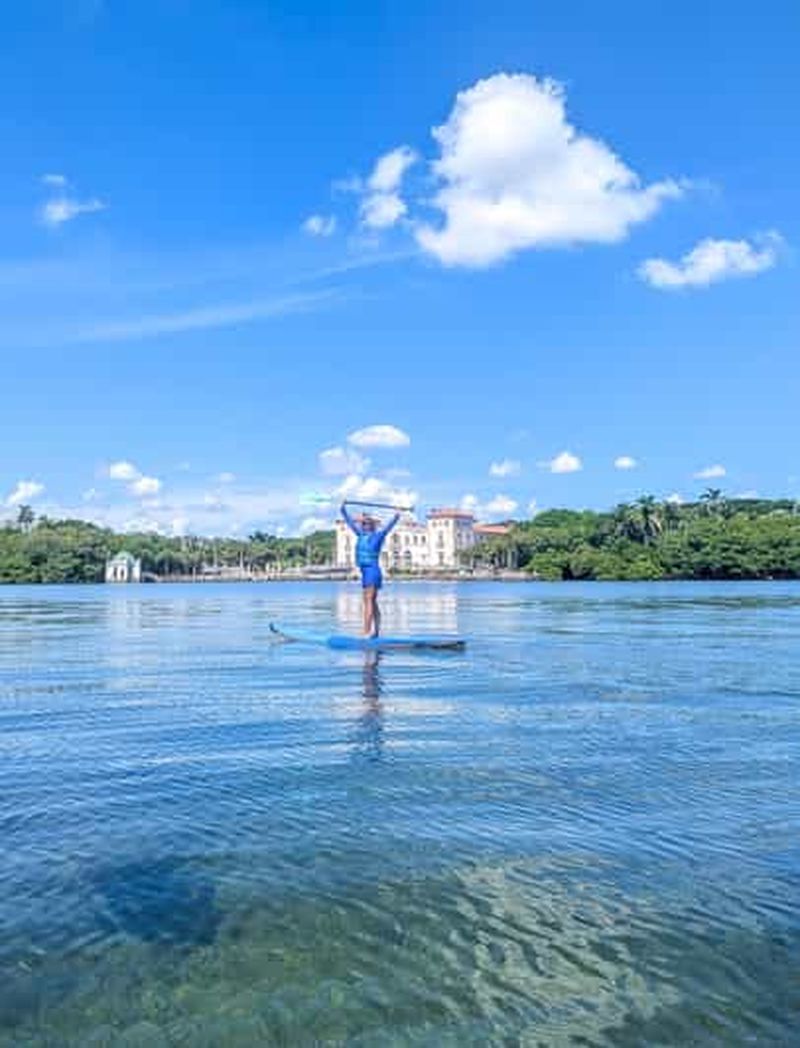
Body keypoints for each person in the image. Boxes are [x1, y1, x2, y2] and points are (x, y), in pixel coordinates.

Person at [341, 503, 400, 637]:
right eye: (363, 523)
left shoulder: (377, 536)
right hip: (365, 572)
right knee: (371, 601)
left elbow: (388, 527)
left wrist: (396, 516)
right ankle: (376, 632)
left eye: (366, 523)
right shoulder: (360, 534)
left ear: (372, 526)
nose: (363, 525)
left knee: (368, 601)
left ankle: (366, 632)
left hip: (373, 572)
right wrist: (343, 509)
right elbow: (350, 522)